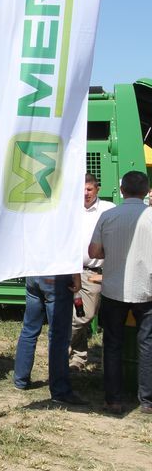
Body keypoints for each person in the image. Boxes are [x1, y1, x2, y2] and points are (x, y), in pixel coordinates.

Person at [88, 169, 152, 415]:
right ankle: (146, 400)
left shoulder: (108, 215)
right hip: (147, 290)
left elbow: (94, 252)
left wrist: (110, 252)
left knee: (112, 344)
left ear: (122, 190)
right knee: (147, 343)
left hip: (114, 288)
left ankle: (113, 399)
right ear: (147, 191)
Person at [13, 272, 84, 405]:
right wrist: (77, 277)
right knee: (59, 336)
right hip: (57, 276)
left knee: (29, 329)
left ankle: (20, 380)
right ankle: (60, 391)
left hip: (34, 274)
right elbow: (71, 252)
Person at [69, 173, 113, 371]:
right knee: (74, 313)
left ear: (97, 189)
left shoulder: (107, 210)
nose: (85, 193)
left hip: (92, 272)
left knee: (84, 314)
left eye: (89, 189)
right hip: (69, 270)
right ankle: (78, 358)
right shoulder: (70, 209)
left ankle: (60, 346)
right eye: (82, 189)